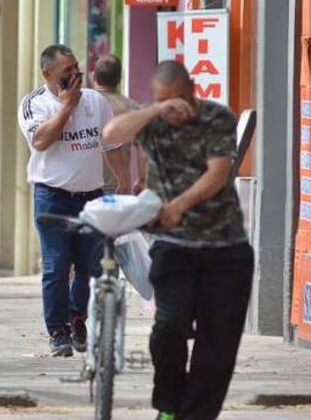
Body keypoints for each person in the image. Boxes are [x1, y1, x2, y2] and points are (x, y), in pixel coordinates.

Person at [102, 60, 253, 420]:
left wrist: (178, 206)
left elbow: (218, 174)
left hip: (224, 247)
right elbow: (110, 133)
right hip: (174, 248)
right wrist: (155, 109)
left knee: (217, 345)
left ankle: (195, 416)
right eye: (162, 99)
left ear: (192, 89)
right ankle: (168, 406)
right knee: (169, 326)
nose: (172, 107)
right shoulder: (153, 120)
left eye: (177, 99)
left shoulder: (216, 118)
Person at [17, 44, 130, 357]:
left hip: (90, 197)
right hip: (52, 197)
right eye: (67, 70)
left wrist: (123, 182)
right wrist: (66, 107)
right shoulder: (34, 104)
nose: (75, 74)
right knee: (56, 266)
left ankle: (77, 315)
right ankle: (58, 332)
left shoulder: (96, 101)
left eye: (77, 67)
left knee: (90, 266)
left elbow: (111, 145)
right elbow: (40, 141)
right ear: (47, 73)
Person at [91, 54, 146, 194]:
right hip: (118, 186)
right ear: (120, 78)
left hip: (82, 186)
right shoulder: (133, 108)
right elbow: (142, 150)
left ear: (93, 77)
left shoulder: (83, 105)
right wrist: (141, 179)